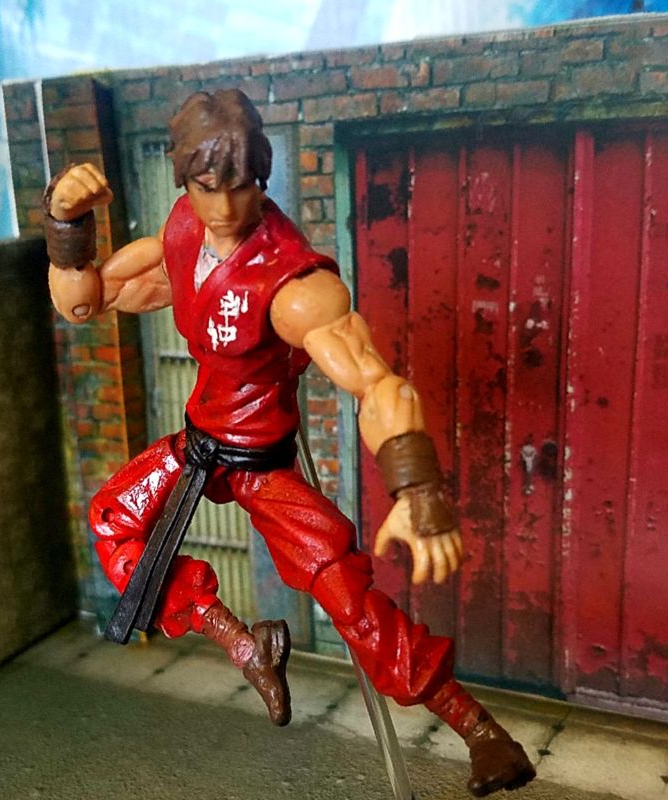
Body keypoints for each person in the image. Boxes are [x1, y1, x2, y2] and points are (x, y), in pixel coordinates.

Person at [43, 89, 535, 797]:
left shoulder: (294, 285)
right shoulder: (183, 233)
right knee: (113, 524)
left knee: (349, 599)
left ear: (261, 177)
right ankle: (247, 646)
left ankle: (483, 734)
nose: (223, 207)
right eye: (206, 186)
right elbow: (86, 300)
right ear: (185, 181)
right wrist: (67, 227)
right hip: (200, 444)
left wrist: (417, 490)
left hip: (263, 464)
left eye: (240, 186)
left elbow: (376, 382)